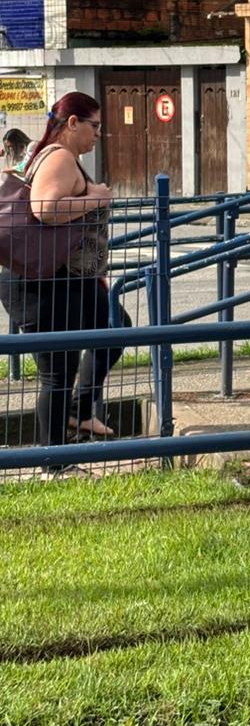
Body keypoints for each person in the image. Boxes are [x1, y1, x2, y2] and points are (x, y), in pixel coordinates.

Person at [0, 93, 122, 462]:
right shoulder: (60, 157)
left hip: (69, 276)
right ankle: (52, 462)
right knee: (57, 371)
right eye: (95, 126)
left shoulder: (56, 155)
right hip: (45, 282)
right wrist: (97, 197)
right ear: (72, 124)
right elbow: (46, 208)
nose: (98, 134)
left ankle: (79, 411)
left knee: (113, 330)